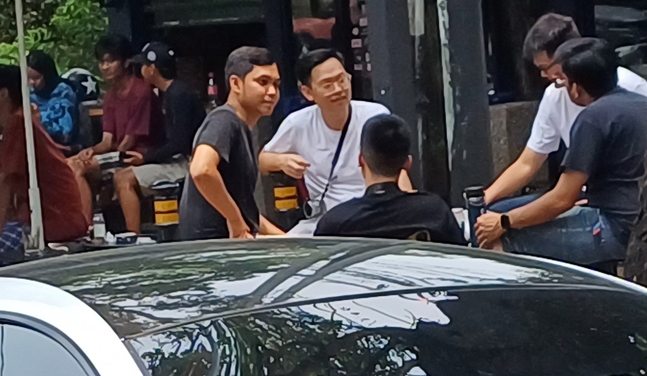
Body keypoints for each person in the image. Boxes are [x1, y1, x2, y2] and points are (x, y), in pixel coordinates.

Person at [475, 36, 646, 269]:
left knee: (498, 237)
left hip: (614, 226)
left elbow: (562, 199)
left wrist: (504, 222)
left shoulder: (592, 118)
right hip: (638, 218)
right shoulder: (643, 103)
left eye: (563, 82)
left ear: (576, 88)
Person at [482, 12, 647, 206]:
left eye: (548, 68)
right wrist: (484, 199)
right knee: (499, 213)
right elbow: (528, 163)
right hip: (581, 194)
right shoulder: (555, 96)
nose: (544, 76)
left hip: (622, 200)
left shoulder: (629, 93)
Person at [0, 63, 88, 273]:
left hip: (54, 221)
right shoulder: (19, 123)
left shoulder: (18, 125)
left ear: (3, 94)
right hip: (40, 217)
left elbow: (7, 180)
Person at [260, 44, 386, 226]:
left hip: (372, 213)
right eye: (328, 84)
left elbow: (397, 171)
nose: (338, 89)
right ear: (308, 92)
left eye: (342, 80)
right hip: (325, 220)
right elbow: (263, 161)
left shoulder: (375, 116)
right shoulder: (298, 123)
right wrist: (283, 161)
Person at [179, 45, 283, 241]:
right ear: (236, 84)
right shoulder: (224, 120)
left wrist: (292, 241)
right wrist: (236, 223)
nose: (272, 92)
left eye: (276, 84)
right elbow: (202, 169)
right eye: (263, 82)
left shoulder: (241, 128)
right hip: (213, 255)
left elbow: (248, 215)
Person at [312, 113, 464, 244]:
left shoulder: (334, 222)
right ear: (408, 163)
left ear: (361, 160)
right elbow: (461, 260)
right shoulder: (434, 212)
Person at [116, 40, 203, 238]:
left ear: (152, 69)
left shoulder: (178, 94)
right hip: (178, 158)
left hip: (187, 162)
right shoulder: (168, 93)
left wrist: (145, 158)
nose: (141, 70)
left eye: (143, 66)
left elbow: (179, 143)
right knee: (121, 173)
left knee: (123, 178)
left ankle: (133, 236)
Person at [85, 36, 161, 231]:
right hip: (118, 152)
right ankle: (87, 229)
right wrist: (90, 151)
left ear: (126, 62)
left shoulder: (141, 91)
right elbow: (106, 140)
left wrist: (101, 158)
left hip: (137, 153)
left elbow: (129, 141)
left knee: (84, 168)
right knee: (74, 164)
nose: (104, 67)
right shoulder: (110, 95)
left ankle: (131, 234)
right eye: (102, 62)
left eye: (110, 61)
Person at [26, 49, 81, 150]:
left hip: (61, 147)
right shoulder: (28, 95)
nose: (32, 83)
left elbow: (65, 132)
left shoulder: (64, 92)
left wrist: (38, 120)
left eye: (36, 78)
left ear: (47, 74)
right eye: (28, 78)